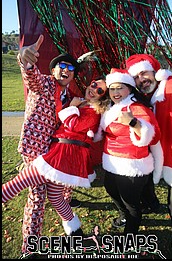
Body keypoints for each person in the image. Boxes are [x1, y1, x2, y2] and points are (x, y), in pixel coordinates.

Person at [2, 76, 109, 238]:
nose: (94, 90)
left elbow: (73, 124)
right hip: (61, 153)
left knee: (18, 183)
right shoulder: (83, 103)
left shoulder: (94, 112)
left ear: (103, 97)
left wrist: (72, 107)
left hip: (63, 156)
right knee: (55, 196)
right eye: (94, 84)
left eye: (100, 90)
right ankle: (75, 230)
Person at [16, 34, 81, 255]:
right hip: (35, 152)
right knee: (37, 198)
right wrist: (25, 59)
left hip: (55, 153)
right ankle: (30, 247)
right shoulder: (44, 83)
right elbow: (31, 77)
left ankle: (69, 210)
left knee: (63, 185)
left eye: (70, 68)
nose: (65, 69)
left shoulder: (69, 96)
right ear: (53, 70)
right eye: (61, 65)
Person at [125, 54, 172, 259]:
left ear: (155, 72)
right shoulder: (149, 99)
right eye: (137, 77)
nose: (142, 79)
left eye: (144, 73)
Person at [94, 68, 163, 235]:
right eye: (112, 88)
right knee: (111, 189)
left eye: (120, 88)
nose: (115, 92)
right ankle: (124, 215)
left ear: (130, 88)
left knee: (131, 204)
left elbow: (154, 137)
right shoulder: (111, 107)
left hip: (132, 165)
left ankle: (129, 236)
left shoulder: (137, 108)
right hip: (112, 163)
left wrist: (133, 123)